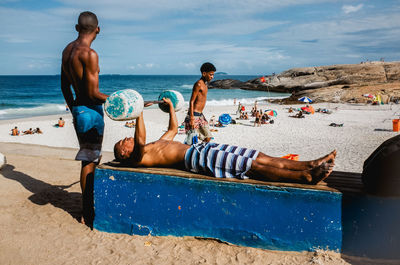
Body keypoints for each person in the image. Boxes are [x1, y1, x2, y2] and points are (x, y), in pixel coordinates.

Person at [114, 98, 336, 185]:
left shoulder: (154, 145)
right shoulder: (137, 157)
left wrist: (170, 107)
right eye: (123, 142)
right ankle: (304, 177)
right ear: (124, 154)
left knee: (257, 156)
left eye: (126, 138)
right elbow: (139, 137)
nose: (126, 138)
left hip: (203, 148)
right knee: (251, 166)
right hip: (197, 158)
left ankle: (309, 165)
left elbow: (173, 128)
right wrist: (138, 112)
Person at [61, 11, 109, 226]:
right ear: (97, 29)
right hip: (91, 111)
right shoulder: (90, 54)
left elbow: (65, 86)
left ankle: (87, 207)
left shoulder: (67, 50)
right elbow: (93, 93)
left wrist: (74, 109)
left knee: (90, 157)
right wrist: (122, 98)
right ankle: (87, 211)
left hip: (80, 110)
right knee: (90, 160)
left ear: (76, 27)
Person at [184, 62, 216, 143]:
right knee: (192, 139)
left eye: (213, 75)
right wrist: (191, 118)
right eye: (211, 74)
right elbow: (191, 101)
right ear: (204, 73)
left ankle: (200, 153)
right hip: (193, 115)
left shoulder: (205, 85)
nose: (212, 77)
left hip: (201, 115)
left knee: (208, 137)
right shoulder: (198, 84)